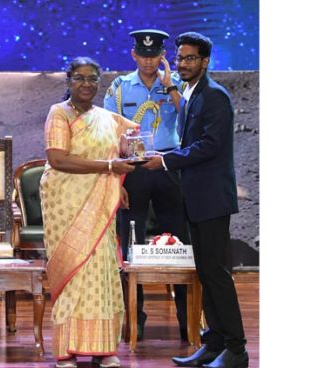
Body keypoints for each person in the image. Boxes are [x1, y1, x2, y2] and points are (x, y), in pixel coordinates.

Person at [143, 32, 248, 368]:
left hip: (212, 199)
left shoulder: (215, 96)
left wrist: (165, 160)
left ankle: (237, 349)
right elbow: (191, 145)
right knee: (204, 272)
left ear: (205, 61)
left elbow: (210, 146)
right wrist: (162, 154)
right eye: (180, 58)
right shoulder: (192, 94)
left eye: (190, 58)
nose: (183, 63)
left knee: (216, 274)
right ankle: (215, 343)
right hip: (197, 198)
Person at [41, 57, 137, 368]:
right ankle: (67, 349)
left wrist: (117, 181)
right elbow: (58, 159)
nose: (86, 84)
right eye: (79, 78)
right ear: (68, 81)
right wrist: (109, 168)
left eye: (92, 79)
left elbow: (122, 151)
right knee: (75, 271)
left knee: (102, 271)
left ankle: (102, 348)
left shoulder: (108, 118)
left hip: (100, 204)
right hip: (66, 204)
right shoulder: (59, 114)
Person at [103, 29, 190, 341]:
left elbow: (192, 121)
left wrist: (172, 89)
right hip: (136, 169)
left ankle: (187, 318)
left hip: (170, 166)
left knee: (181, 241)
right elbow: (109, 134)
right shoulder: (119, 88)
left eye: (155, 56)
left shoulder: (179, 86)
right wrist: (118, 179)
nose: (149, 61)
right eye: (144, 55)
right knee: (131, 243)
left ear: (162, 57)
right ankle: (133, 318)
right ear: (134, 55)